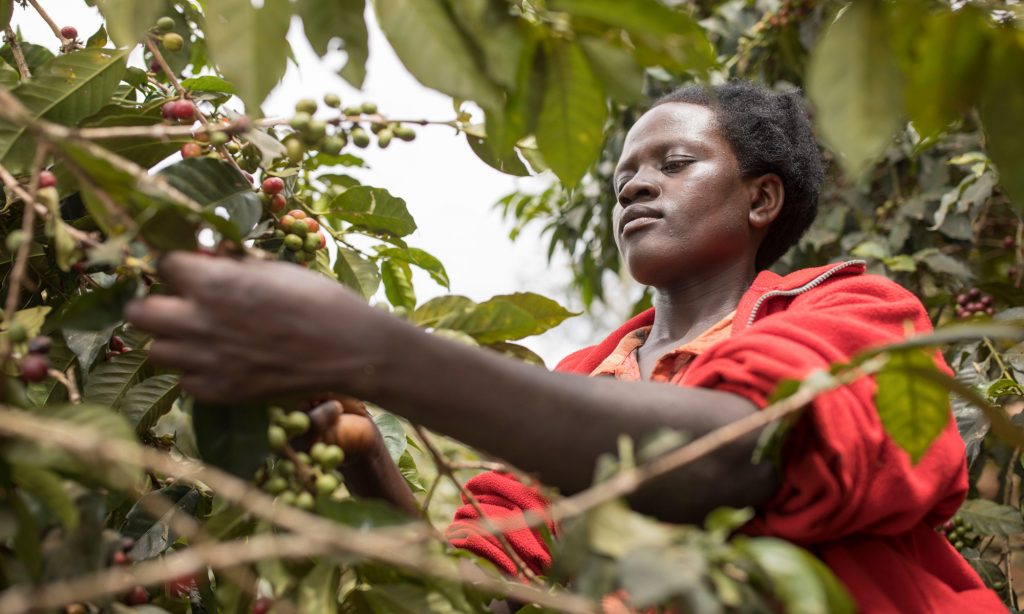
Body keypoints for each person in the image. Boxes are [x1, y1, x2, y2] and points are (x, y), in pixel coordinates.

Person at [126, 81, 1004, 612]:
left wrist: (378, 351)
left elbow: (741, 452)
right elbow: (480, 590)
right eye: (625, 175)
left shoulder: (857, 312)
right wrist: (351, 438)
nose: (636, 187)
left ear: (762, 200)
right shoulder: (584, 383)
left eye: (672, 164)